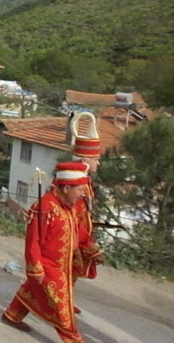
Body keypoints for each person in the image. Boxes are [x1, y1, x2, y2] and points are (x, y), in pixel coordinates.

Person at [1, 162, 90, 343]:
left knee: (33, 289)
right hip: (48, 265)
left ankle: (12, 315)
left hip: (64, 264)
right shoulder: (44, 208)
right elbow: (33, 241)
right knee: (61, 306)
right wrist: (35, 268)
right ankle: (74, 339)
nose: (83, 194)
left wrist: (84, 249)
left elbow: (76, 229)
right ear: (66, 188)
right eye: (80, 190)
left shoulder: (69, 206)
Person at [70, 114, 104, 313]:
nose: (98, 164)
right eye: (96, 160)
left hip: (79, 237)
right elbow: (73, 218)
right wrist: (88, 244)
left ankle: (64, 301)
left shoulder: (85, 182)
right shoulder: (74, 185)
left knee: (71, 273)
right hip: (71, 237)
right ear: (84, 159)